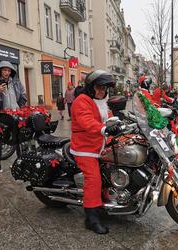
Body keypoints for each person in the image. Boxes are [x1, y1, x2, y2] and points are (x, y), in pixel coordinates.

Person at [70, 70, 120, 234]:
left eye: (105, 88)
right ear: (91, 87)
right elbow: (86, 121)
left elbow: (109, 117)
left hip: (100, 144)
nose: (102, 91)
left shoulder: (101, 102)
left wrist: (121, 122)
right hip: (85, 148)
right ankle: (91, 218)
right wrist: (104, 128)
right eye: (99, 87)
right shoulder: (81, 101)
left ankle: (103, 204)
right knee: (94, 178)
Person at [0, 61, 27, 176]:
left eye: (9, 70)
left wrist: (19, 107)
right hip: (1, 115)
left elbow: (23, 96)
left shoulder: (16, 82)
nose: (7, 72)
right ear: (0, 70)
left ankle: (19, 163)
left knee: (18, 139)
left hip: (15, 115)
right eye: (4, 70)